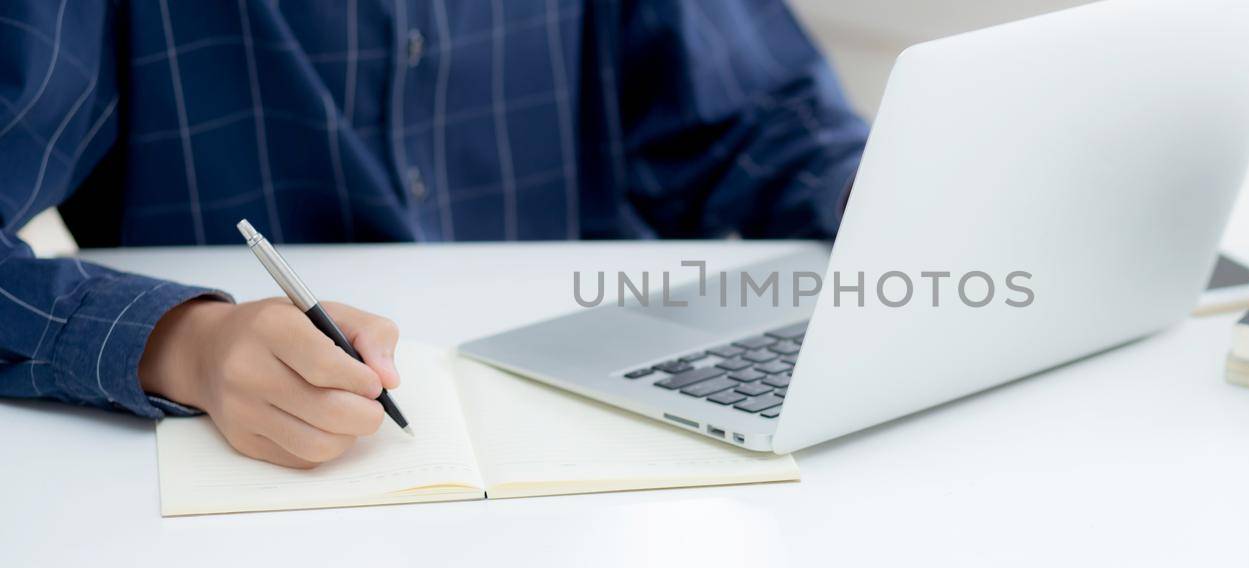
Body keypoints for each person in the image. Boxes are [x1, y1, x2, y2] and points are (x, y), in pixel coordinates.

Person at [0, 0, 866, 468]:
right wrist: (179, 342)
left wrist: (894, 195)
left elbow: (758, 120)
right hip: (249, 487)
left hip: (598, 453)